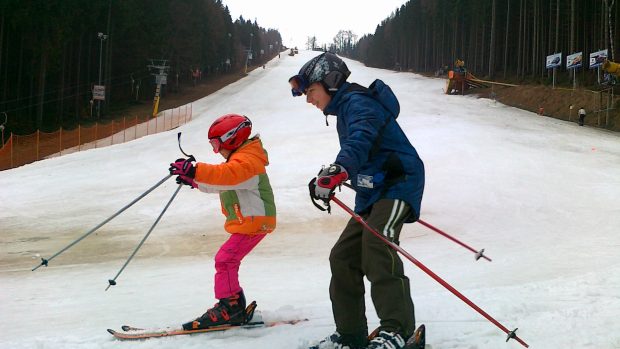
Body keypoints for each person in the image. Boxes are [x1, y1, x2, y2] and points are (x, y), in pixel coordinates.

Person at [289, 52, 425, 349]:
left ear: (331, 82)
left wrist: (340, 168)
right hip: (373, 192)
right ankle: (351, 334)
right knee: (343, 257)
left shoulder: (358, 103)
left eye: (311, 91)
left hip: (398, 184)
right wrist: (336, 175)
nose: (309, 100)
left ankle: (398, 330)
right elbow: (361, 153)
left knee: (377, 244)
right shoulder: (344, 109)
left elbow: (360, 139)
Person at [168, 113, 276, 330]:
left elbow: (228, 175)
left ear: (232, 138)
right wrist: (195, 181)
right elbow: (225, 183)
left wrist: (195, 170)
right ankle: (233, 305)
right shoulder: (243, 160)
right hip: (251, 221)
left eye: (216, 144)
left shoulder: (248, 161)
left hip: (255, 222)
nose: (214, 150)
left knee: (225, 260)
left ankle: (230, 308)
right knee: (227, 260)